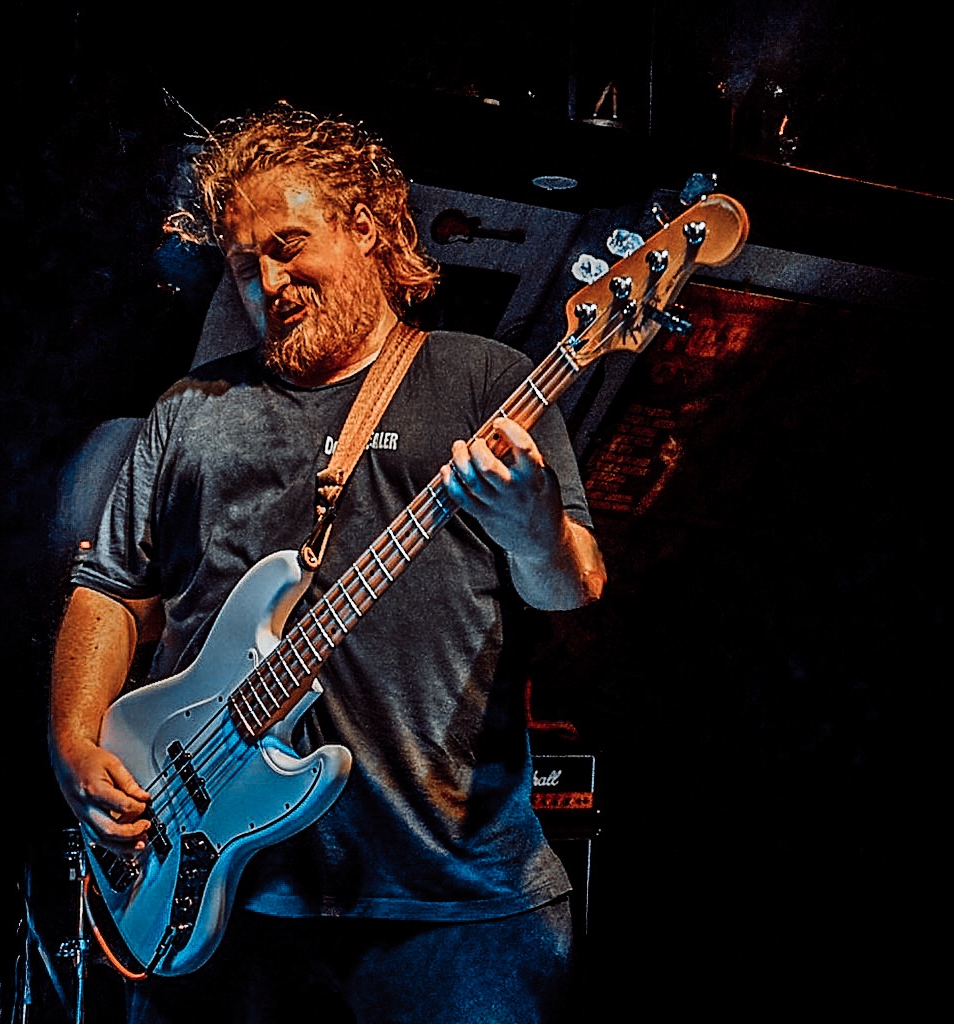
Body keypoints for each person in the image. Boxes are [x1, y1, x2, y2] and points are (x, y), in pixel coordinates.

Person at [48, 100, 607, 1024]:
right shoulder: (190, 411)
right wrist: (73, 741)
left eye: (289, 245)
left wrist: (532, 518)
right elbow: (110, 591)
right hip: (228, 896)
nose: (270, 280)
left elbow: (569, 584)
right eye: (246, 265)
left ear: (370, 228)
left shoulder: (484, 380)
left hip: (456, 907)